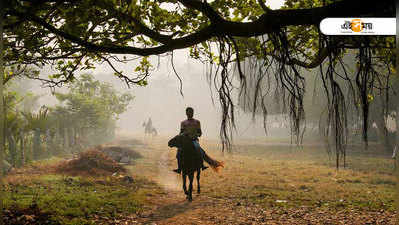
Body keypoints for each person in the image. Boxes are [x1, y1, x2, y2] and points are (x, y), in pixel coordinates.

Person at [174, 107, 208, 174]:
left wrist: (197, 134)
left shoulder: (197, 122)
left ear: (193, 113)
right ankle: (179, 168)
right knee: (178, 152)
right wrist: (182, 135)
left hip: (194, 140)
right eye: (189, 112)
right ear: (186, 113)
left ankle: (202, 165)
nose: (190, 113)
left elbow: (200, 133)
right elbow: (181, 132)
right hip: (185, 141)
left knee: (199, 150)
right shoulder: (183, 123)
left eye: (191, 112)